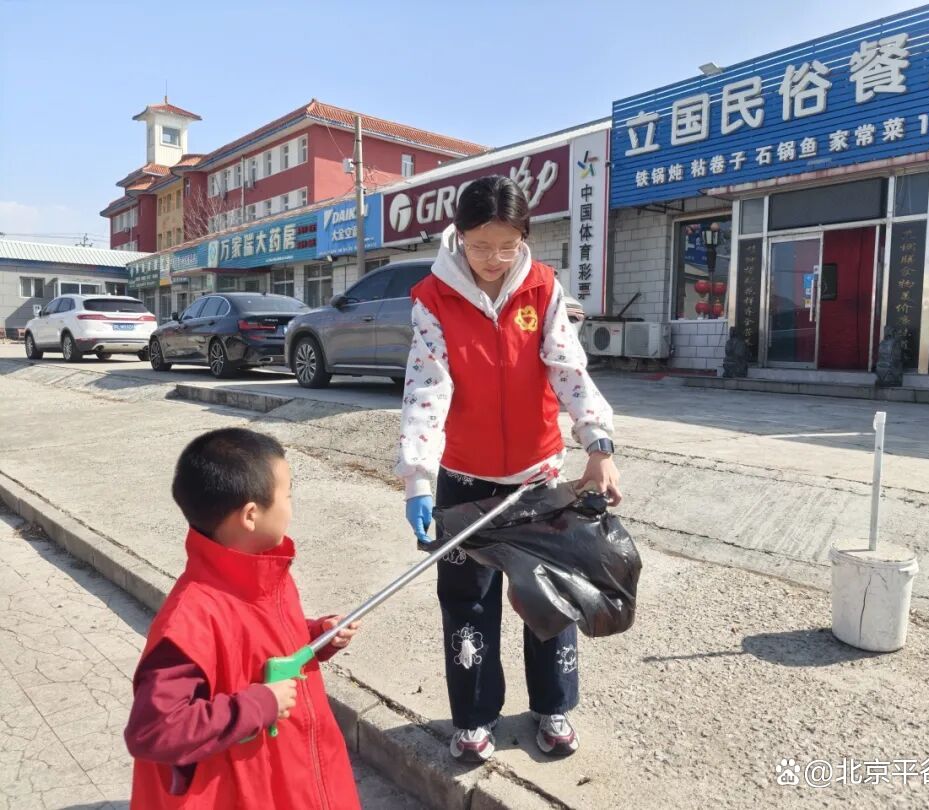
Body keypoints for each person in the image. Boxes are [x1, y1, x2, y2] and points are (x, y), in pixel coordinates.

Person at [396, 175, 621, 763]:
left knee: (548, 596)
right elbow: (427, 388)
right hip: (464, 479)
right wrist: (418, 477)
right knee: (467, 604)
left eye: (507, 245)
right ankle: (474, 718)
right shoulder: (432, 298)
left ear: (524, 237)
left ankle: (552, 707)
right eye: (479, 246)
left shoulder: (543, 288)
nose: (493, 259)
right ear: (458, 236)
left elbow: (568, 370)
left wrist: (598, 444)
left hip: (537, 478)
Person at [124, 428, 362, 809]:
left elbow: (262, 645)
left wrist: (317, 636)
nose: (291, 505)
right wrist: (258, 705)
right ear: (251, 515)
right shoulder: (190, 617)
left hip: (299, 776)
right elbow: (154, 729)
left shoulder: (263, 574)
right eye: (288, 495)